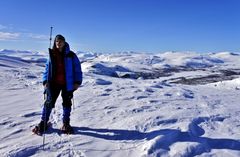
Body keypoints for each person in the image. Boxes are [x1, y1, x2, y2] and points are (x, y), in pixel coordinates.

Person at [32, 34, 82, 134]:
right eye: (57, 41)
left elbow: (77, 69)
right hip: (53, 83)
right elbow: (47, 69)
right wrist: (45, 81)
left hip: (67, 84)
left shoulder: (71, 55)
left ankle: (66, 123)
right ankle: (43, 122)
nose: (58, 43)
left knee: (67, 103)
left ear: (64, 42)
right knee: (49, 102)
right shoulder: (52, 55)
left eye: (60, 41)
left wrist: (77, 82)